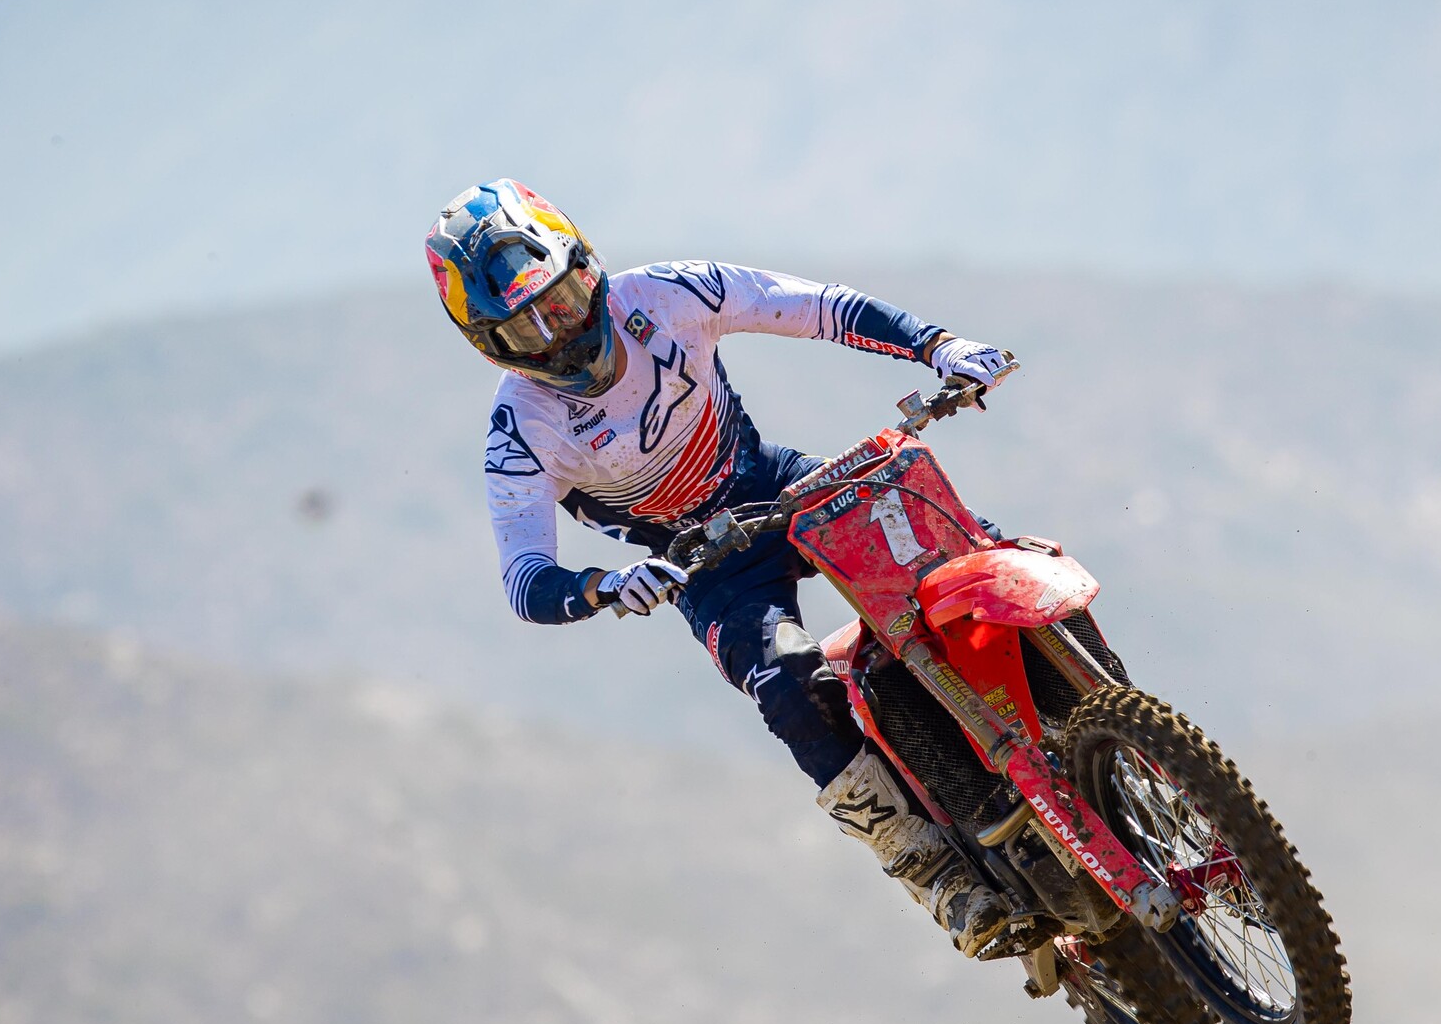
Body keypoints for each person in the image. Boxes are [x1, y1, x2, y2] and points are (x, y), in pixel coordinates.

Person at [426, 179, 1018, 955]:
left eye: (564, 302)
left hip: (781, 485)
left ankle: (1085, 707)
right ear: (487, 348)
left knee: (968, 548)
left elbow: (817, 307)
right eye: (523, 333)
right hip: (703, 565)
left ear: (589, 266)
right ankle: (935, 876)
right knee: (790, 688)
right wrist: (605, 586)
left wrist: (940, 346)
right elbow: (525, 580)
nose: (557, 336)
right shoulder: (520, 431)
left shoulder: (669, 294)